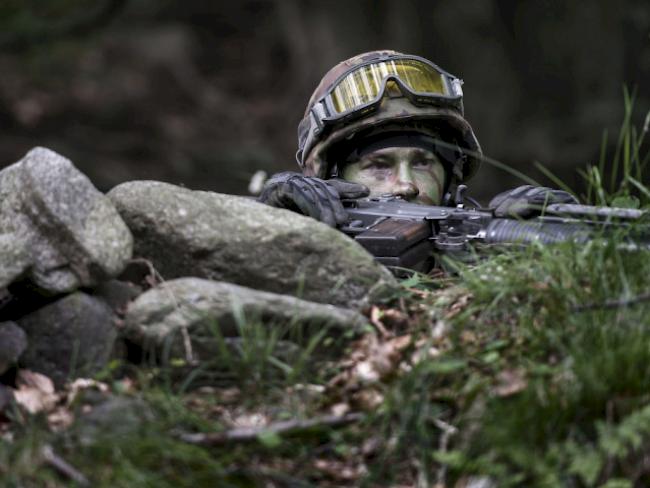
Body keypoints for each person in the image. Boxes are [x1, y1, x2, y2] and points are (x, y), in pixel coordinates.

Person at [259, 50, 576, 226]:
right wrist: (270, 218)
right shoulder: (300, 261)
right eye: (379, 165)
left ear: (450, 176)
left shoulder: (488, 254)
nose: (406, 186)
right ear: (330, 181)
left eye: (423, 162)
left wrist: (564, 229)